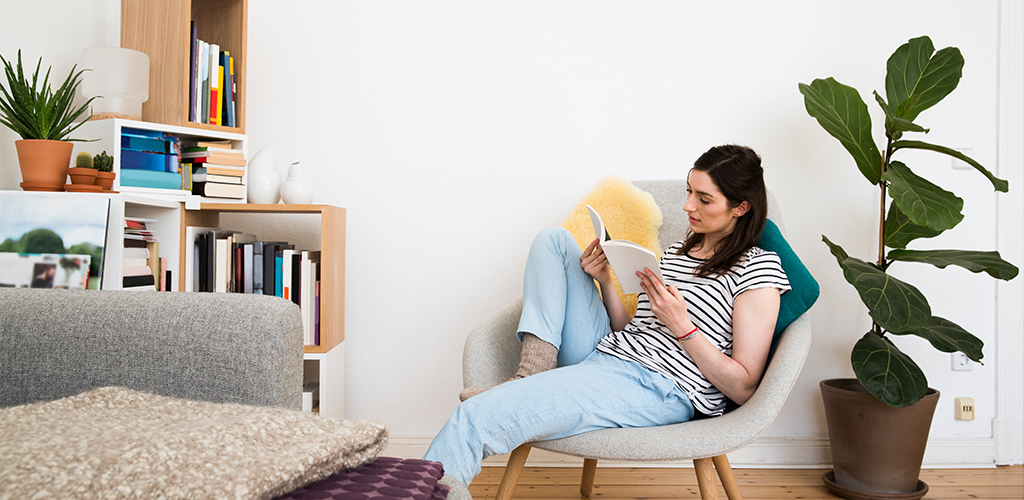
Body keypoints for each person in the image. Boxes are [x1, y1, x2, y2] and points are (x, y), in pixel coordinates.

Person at [424, 145, 791, 487]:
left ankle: (423, 488)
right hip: (608, 354)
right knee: (554, 241)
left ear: (740, 207)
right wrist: (606, 282)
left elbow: (743, 387)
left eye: (704, 199)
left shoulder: (757, 269)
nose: (687, 206)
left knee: (475, 417)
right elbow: (634, 331)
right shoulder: (679, 251)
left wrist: (682, 326)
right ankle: (531, 372)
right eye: (689, 192)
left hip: (660, 388)